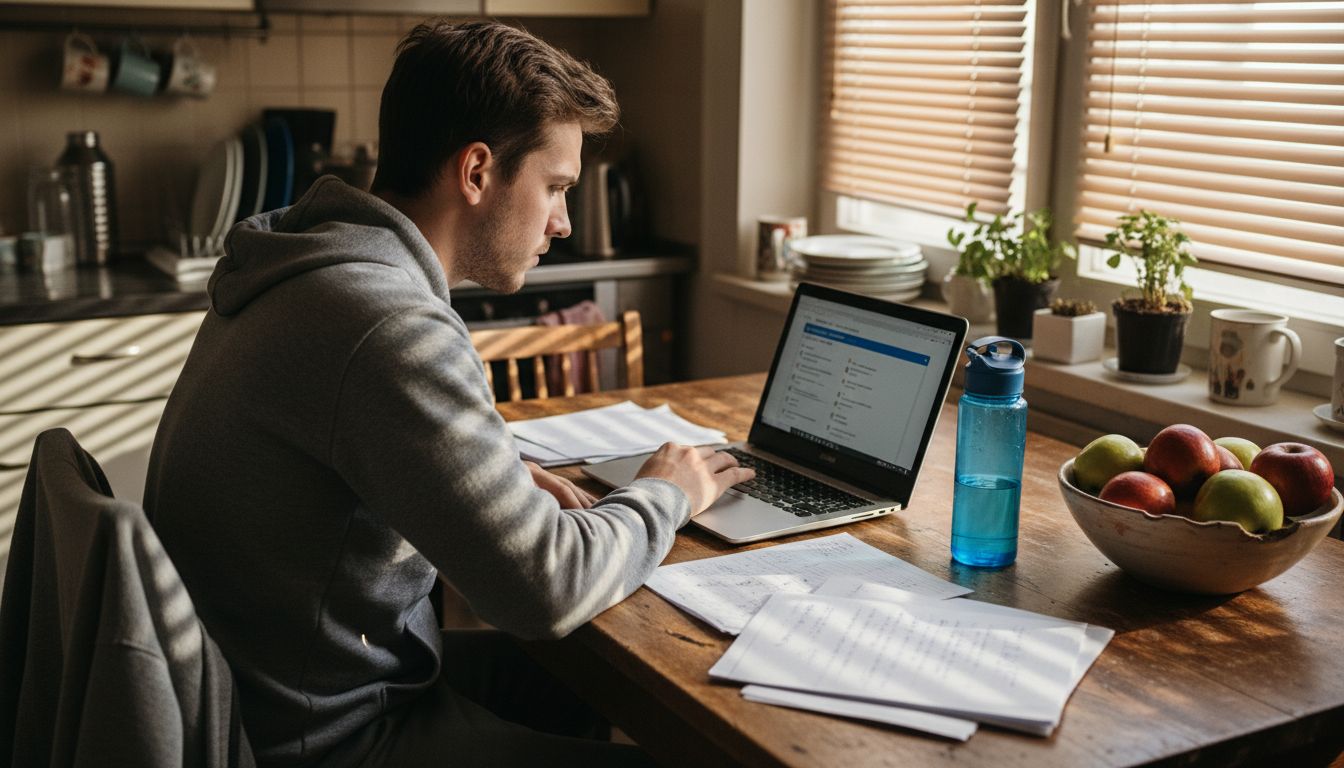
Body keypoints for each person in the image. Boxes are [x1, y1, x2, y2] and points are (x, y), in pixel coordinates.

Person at [143, 19, 752, 768]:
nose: (562, 222)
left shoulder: (307, 267)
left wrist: (480, 481)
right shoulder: (385, 322)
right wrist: (668, 493)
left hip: (279, 689)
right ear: (476, 172)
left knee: (584, 691)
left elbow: (326, 479)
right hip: (326, 738)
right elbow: (545, 589)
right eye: (556, 187)